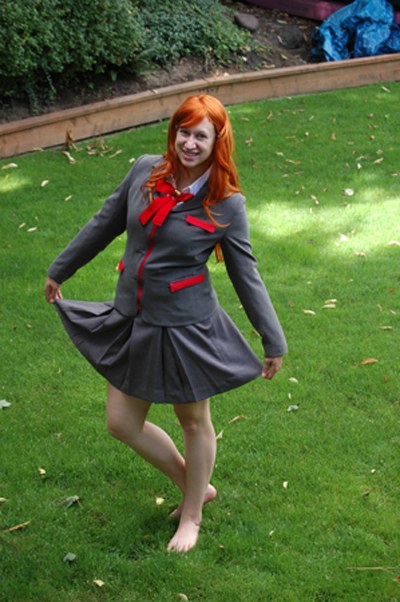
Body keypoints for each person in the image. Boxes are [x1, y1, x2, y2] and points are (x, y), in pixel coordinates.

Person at [44, 94, 287, 553]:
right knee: (121, 422)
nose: (190, 144)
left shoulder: (226, 203)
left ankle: (192, 514)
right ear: (173, 133)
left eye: (201, 136)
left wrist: (272, 339)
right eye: (184, 132)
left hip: (185, 327)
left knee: (192, 419)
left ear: (217, 142)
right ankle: (194, 484)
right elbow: (104, 222)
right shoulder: (145, 171)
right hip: (133, 316)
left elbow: (245, 274)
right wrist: (61, 268)